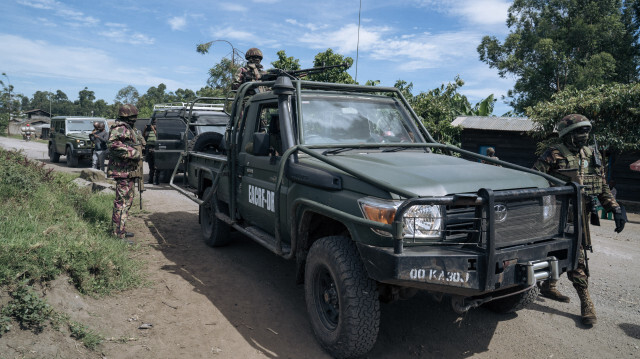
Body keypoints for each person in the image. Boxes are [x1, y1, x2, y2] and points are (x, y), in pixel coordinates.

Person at [533, 114, 627, 326]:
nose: (584, 136)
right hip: (556, 214)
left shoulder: (591, 155)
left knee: (576, 252)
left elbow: (600, 185)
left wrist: (615, 208)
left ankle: (558, 289)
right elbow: (534, 179)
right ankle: (581, 299)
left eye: (586, 131)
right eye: (578, 132)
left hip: (581, 214)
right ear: (567, 134)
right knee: (563, 252)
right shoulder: (553, 153)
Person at [107, 104, 143, 242]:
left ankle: (121, 230)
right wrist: (134, 153)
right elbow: (112, 145)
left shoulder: (128, 128)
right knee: (122, 203)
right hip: (122, 172)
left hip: (128, 172)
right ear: (128, 116)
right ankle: (118, 235)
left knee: (126, 202)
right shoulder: (120, 128)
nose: (135, 119)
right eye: (134, 117)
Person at [143, 118, 158, 185]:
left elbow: (158, 136)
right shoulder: (149, 131)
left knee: (156, 166)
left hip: (156, 148)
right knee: (150, 165)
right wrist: (145, 129)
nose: (153, 125)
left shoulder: (158, 130)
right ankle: (150, 180)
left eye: (154, 124)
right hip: (149, 148)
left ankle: (156, 181)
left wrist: (154, 129)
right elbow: (143, 137)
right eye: (153, 124)